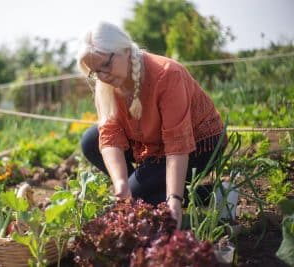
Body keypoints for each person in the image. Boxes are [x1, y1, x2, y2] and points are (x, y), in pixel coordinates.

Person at [76, 21, 226, 229]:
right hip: (155, 142)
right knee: (90, 141)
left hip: (199, 142)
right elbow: (110, 133)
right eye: (95, 72)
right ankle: (144, 192)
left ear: (126, 51)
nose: (102, 76)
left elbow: (177, 144)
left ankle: (215, 194)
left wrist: (173, 199)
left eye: (106, 66)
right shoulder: (107, 83)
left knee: (139, 196)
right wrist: (121, 183)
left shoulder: (167, 74)